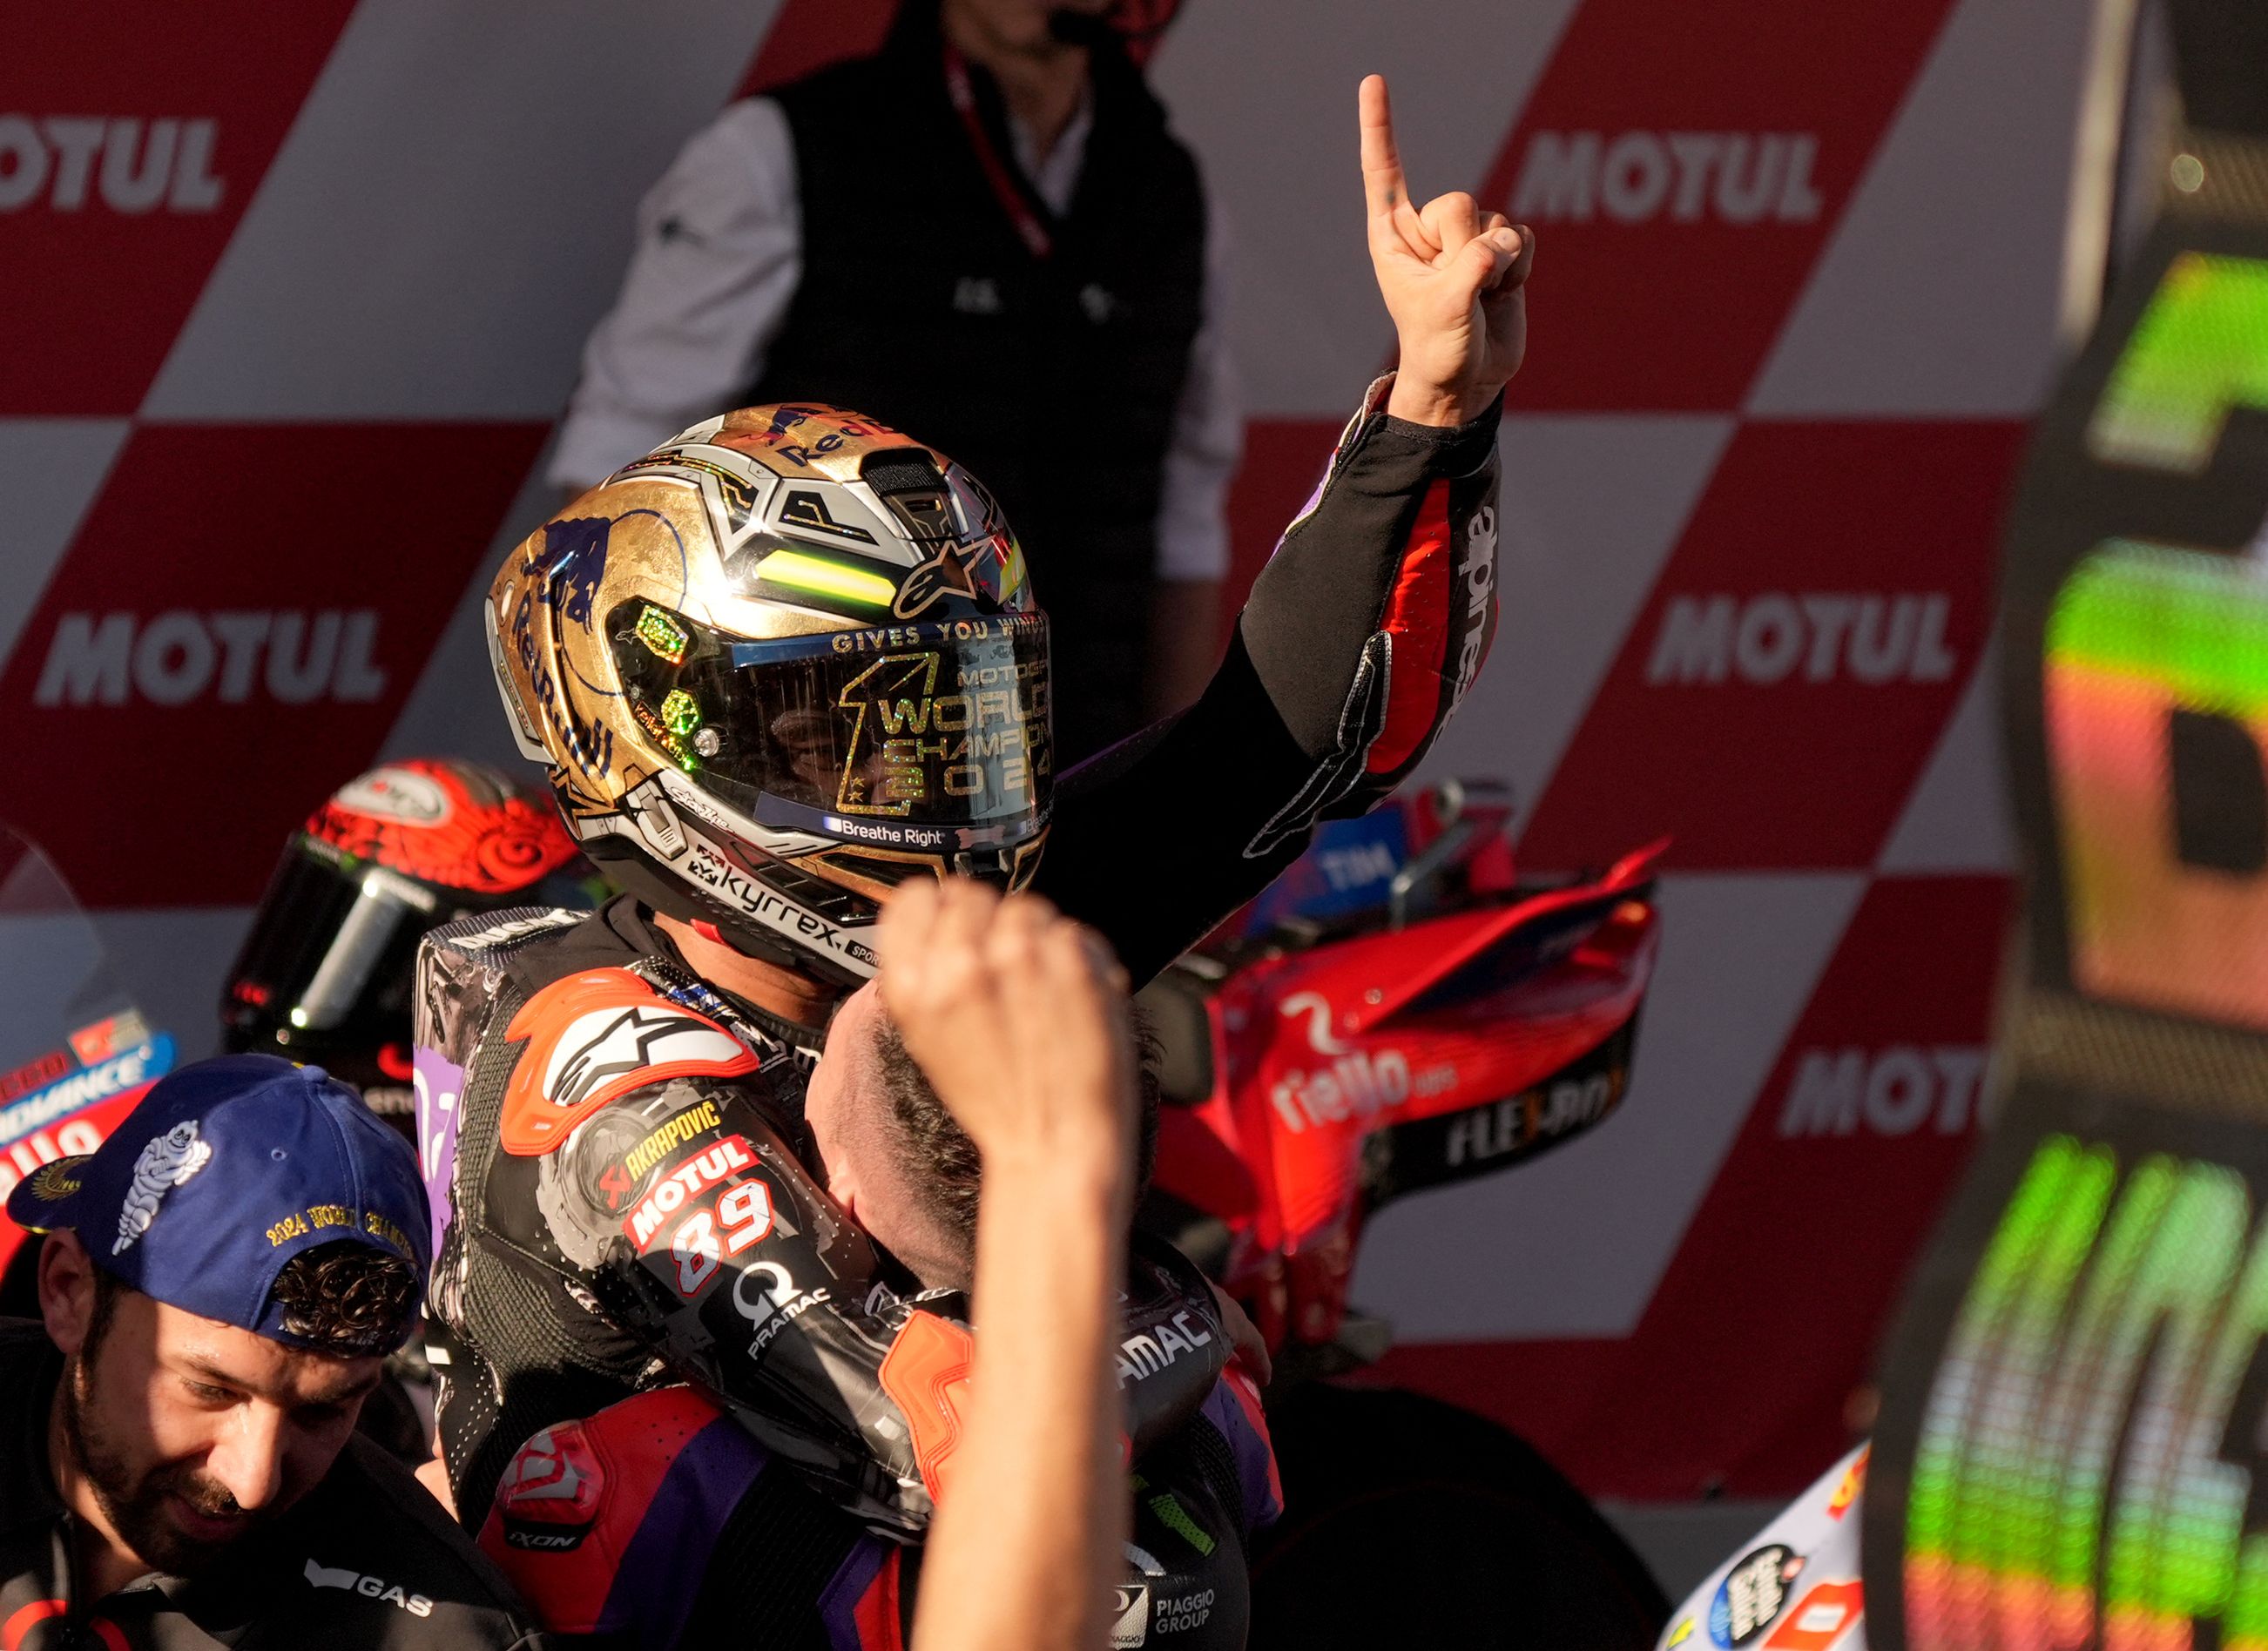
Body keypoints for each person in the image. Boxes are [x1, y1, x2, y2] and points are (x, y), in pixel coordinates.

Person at [422, 70, 1527, 1523]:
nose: (934, 792)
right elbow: (935, 1432)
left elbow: (1291, 742)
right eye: (867, 728)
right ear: (668, 713)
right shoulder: (601, 1047)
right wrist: (1180, 1309)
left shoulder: (932, 936)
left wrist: (1431, 413)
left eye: (960, 719)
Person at [475, 883, 1276, 1648]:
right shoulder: (1222, 1403)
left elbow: (958, 1451)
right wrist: (1165, 1304)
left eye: (806, 1072)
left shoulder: (656, 1467)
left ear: (840, 1195)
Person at [550, 0, 1236, 757]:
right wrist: (633, 766)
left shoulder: (1169, 190)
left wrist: (1175, 780)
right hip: (824, 766)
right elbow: (617, 493)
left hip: (1080, 771)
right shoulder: (779, 151)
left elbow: (1181, 521)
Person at [0, 1055, 545, 1648]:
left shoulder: (447, 1633)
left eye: (323, 1412)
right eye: (211, 1390)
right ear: (69, 1294)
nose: (254, 1482)